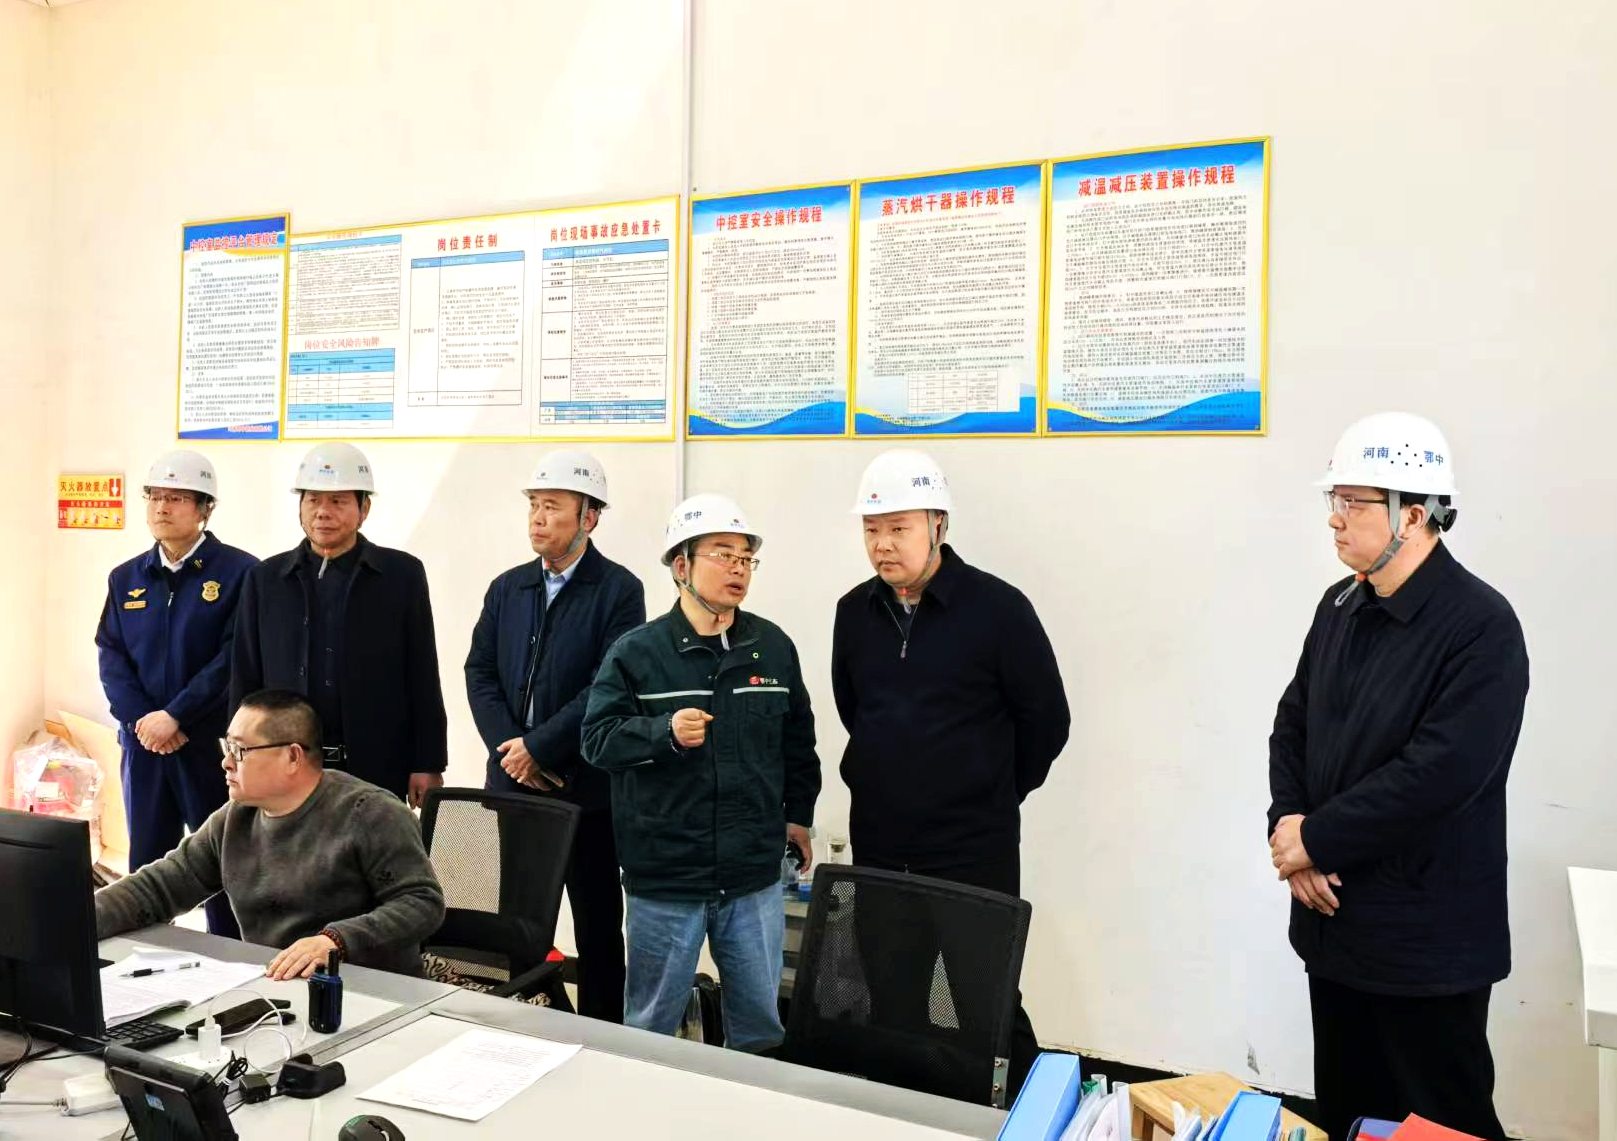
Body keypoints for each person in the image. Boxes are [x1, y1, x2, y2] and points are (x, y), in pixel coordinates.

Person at [1267, 412, 1528, 1141]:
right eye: (1336, 499)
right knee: (1349, 1115)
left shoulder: (1480, 626)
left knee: (1440, 1122)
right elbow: (1292, 724)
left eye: (1352, 503)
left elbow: (1439, 776)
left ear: (1412, 515)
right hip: (1334, 926)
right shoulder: (1340, 604)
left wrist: (1316, 839)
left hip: (1424, 945)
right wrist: (1289, 829)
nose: (1334, 518)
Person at [830, 449, 1069, 1097]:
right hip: (882, 848)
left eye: (897, 527)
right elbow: (855, 710)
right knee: (892, 1003)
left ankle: (1031, 1121)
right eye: (871, 529)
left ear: (937, 524)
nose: (882, 544)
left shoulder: (998, 609)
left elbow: (1047, 720)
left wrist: (992, 792)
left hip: (972, 851)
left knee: (986, 1003)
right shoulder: (854, 612)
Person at [582, 493, 819, 1052]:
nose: (738, 568)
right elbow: (596, 740)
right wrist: (662, 732)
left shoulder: (772, 647)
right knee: (650, 1032)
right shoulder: (637, 653)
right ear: (681, 566)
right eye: (723, 554)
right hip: (667, 878)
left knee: (760, 1031)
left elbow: (798, 743)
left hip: (752, 877)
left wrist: (799, 817)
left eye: (746, 557)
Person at [465, 450, 645, 1023]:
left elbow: (608, 684)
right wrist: (512, 751)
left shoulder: (619, 590)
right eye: (534, 506)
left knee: (597, 927)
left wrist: (540, 748)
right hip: (513, 788)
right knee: (515, 924)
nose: (538, 518)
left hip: (586, 791)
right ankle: (520, 1027)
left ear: (589, 517)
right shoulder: (508, 588)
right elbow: (480, 672)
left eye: (553, 507)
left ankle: (605, 1035)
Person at [95, 689, 445, 979]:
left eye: (239, 751)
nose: (226, 762)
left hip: (370, 992)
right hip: (275, 988)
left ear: (292, 757)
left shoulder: (371, 813)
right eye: (227, 748)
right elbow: (158, 888)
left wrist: (335, 941)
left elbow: (421, 903)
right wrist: (76, 918)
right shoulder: (234, 819)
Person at [95, 450, 257, 939]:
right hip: (145, 745)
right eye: (155, 496)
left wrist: (177, 716)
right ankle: (140, 964)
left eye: (177, 498)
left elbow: (233, 658)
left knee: (222, 864)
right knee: (147, 870)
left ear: (205, 508)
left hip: (208, 746)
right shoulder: (126, 577)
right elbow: (111, 655)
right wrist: (145, 720)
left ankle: (233, 960)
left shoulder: (240, 573)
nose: (162, 507)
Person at [230, 443, 447, 806]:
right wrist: (239, 754)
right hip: (285, 763)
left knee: (372, 841)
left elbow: (422, 673)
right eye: (313, 500)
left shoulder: (401, 575)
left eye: (338, 501)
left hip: (376, 762)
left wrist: (428, 762)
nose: (323, 512)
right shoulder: (265, 579)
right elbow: (245, 675)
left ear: (364, 509)